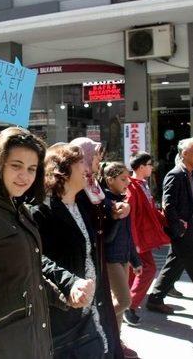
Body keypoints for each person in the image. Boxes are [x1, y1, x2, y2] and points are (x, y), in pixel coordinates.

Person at [0, 127, 95, 359]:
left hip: (30, 337)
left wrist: (64, 294)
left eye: (32, 169)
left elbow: (28, 269)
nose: (24, 176)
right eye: (16, 165)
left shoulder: (17, 206)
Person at [32, 144, 109, 358]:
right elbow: (36, 258)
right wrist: (70, 284)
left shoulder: (81, 204)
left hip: (89, 306)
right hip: (64, 311)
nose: (87, 168)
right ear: (63, 170)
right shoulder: (42, 211)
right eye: (81, 162)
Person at [146, 137, 193, 320]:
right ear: (185, 154)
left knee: (182, 264)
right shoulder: (175, 174)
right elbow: (168, 204)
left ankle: (155, 298)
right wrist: (177, 226)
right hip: (183, 231)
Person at [71, 137, 126, 359]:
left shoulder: (94, 184)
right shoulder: (78, 188)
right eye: (94, 155)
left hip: (101, 251)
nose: (98, 160)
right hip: (90, 256)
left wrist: (114, 211)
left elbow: (103, 213)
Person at [99, 162, 141, 356]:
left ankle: (115, 340)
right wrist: (115, 214)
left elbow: (128, 235)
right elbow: (106, 235)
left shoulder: (122, 200)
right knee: (124, 300)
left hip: (123, 256)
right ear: (110, 180)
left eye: (128, 178)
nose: (127, 182)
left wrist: (135, 260)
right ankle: (98, 326)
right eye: (123, 179)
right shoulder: (105, 201)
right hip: (110, 258)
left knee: (120, 304)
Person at [124, 152, 170, 326]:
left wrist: (167, 220)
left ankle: (124, 304)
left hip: (142, 239)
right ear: (141, 167)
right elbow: (131, 218)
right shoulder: (132, 187)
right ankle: (129, 306)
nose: (152, 167)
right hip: (139, 240)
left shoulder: (142, 185)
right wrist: (134, 243)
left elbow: (150, 210)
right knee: (148, 269)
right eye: (150, 164)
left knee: (132, 273)